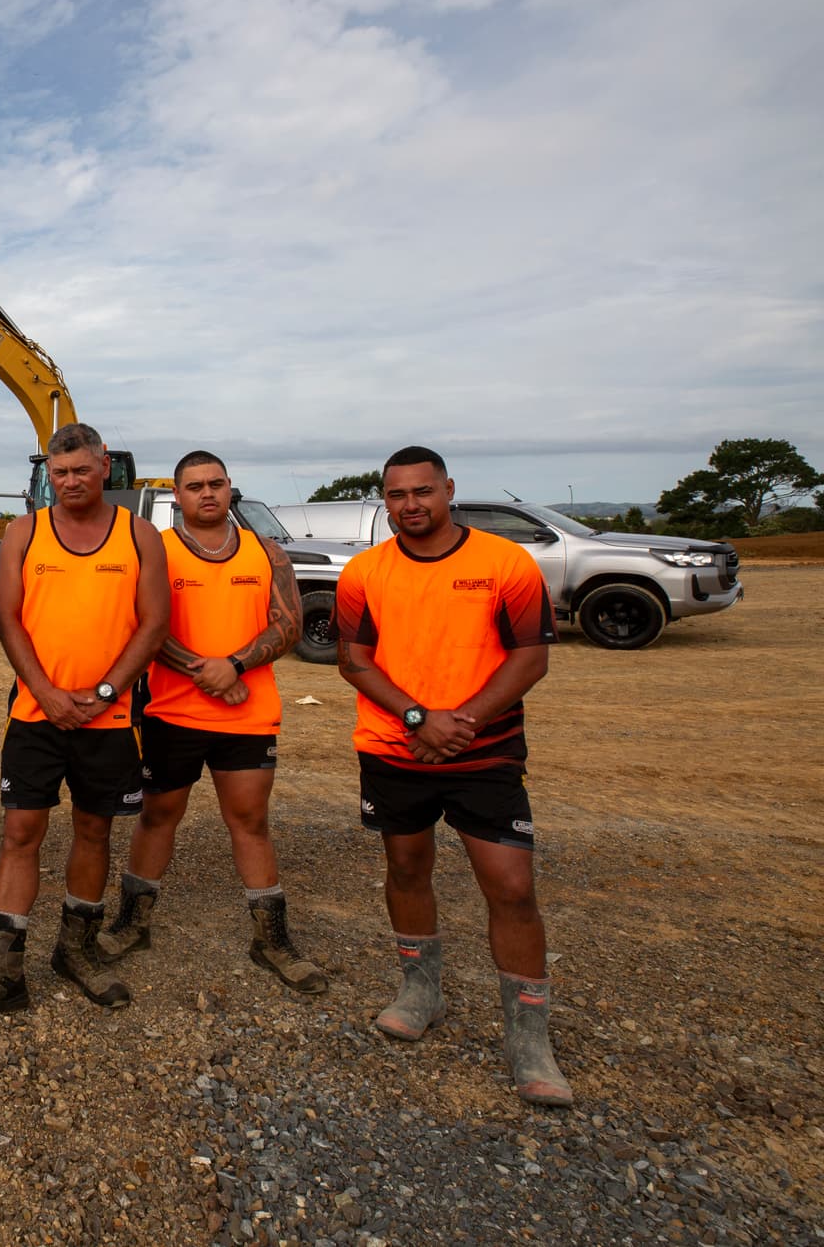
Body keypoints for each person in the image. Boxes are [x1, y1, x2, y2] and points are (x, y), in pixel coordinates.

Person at [335, 445, 571, 1107]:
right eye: (397, 494)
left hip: (484, 751)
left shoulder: (504, 564)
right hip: (393, 748)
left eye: (423, 491)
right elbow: (354, 660)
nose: (410, 505)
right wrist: (417, 716)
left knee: (512, 886)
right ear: (385, 499)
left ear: (448, 489)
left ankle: (529, 1040)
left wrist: (459, 720)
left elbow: (531, 658)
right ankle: (421, 990)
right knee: (407, 868)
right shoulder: (363, 572)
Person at [0, 423, 168, 1021]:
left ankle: (76, 951)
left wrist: (107, 689)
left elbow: (154, 623)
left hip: (111, 719)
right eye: (59, 474)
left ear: (104, 467)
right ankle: (3, 971)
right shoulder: (23, 531)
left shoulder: (139, 536)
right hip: (36, 715)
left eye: (81, 471)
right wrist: (46, 691)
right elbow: (7, 617)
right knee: (20, 834)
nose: (69, 483)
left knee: (95, 832)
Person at [100, 450, 327, 993]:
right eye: (195, 485)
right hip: (172, 713)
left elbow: (289, 624)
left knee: (249, 821)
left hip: (247, 713)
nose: (207, 493)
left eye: (216, 484)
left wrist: (237, 665)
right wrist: (208, 672)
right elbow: (142, 622)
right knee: (159, 816)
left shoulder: (265, 552)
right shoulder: (157, 552)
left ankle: (271, 937)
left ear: (231, 490)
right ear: (176, 495)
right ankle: (134, 922)